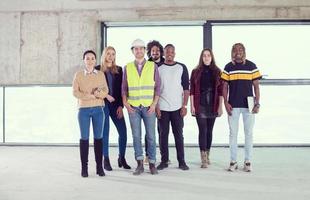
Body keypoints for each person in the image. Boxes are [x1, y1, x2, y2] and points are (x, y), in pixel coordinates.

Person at [122, 39, 160, 175]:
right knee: (136, 136)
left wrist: (154, 104)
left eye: (141, 48)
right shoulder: (127, 67)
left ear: (145, 50)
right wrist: (126, 104)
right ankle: (139, 164)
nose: (138, 51)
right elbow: (124, 88)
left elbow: (158, 87)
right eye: (136, 49)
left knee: (151, 136)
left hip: (149, 107)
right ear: (133, 51)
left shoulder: (152, 66)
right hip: (133, 107)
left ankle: (152, 163)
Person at [221, 43, 262, 172]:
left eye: (240, 49)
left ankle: (248, 161)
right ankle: (233, 161)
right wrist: (225, 103)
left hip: (249, 105)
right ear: (232, 52)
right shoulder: (228, 67)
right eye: (235, 50)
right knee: (233, 134)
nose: (238, 52)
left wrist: (257, 103)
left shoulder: (251, 66)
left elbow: (256, 86)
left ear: (244, 51)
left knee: (248, 134)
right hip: (233, 104)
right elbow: (224, 87)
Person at [72, 50, 109, 177]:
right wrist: (90, 96)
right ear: (84, 60)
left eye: (92, 58)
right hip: (83, 110)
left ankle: (99, 167)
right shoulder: (78, 75)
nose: (90, 60)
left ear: (95, 60)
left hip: (99, 110)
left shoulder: (100, 74)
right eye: (87, 58)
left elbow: (105, 91)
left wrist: (98, 94)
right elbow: (75, 93)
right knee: (84, 138)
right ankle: (84, 168)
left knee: (99, 138)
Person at [95, 46, 131, 171]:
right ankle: (106, 159)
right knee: (105, 132)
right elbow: (95, 89)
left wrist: (121, 105)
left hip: (116, 104)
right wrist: (106, 95)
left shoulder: (119, 70)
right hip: (102, 104)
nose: (111, 56)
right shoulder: (97, 70)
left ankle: (122, 157)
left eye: (113, 54)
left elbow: (123, 89)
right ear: (104, 55)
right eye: (108, 53)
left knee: (123, 131)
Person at [156, 44, 190, 171]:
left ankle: (181, 161)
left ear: (174, 53)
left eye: (172, 51)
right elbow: (156, 89)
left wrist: (184, 105)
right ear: (164, 53)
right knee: (163, 135)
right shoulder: (158, 68)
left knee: (179, 135)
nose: (169, 53)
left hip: (177, 107)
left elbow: (186, 88)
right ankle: (164, 161)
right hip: (163, 107)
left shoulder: (181, 67)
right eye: (167, 51)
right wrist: (156, 107)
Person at [190, 48, 223, 168]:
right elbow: (192, 91)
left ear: (212, 57)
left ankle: (208, 153)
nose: (206, 57)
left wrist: (220, 106)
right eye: (204, 55)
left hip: (213, 103)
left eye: (208, 55)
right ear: (201, 57)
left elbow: (220, 91)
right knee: (202, 130)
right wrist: (192, 106)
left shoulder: (217, 71)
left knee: (209, 130)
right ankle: (203, 157)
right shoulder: (195, 71)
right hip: (200, 103)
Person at [144, 40, 165, 165]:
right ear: (149, 52)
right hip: (149, 101)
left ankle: (164, 156)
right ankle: (148, 154)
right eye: (153, 51)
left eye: (157, 50)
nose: (155, 53)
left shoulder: (165, 64)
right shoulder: (146, 65)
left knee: (161, 130)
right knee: (149, 130)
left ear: (161, 52)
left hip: (163, 101)